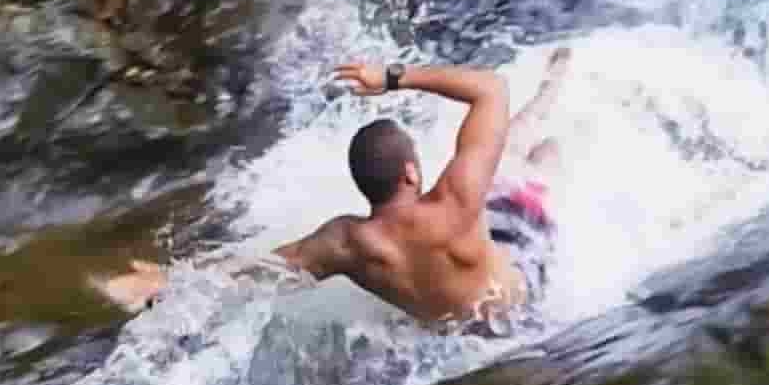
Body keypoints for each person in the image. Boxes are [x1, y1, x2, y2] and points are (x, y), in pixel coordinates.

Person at [92, 48, 574, 333]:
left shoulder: (347, 243)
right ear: (411, 173)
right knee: (532, 153)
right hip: (521, 303)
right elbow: (489, 87)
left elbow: (256, 270)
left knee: (513, 152)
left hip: (458, 334)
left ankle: (547, 98)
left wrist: (171, 282)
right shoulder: (454, 200)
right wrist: (389, 78)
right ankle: (552, 93)